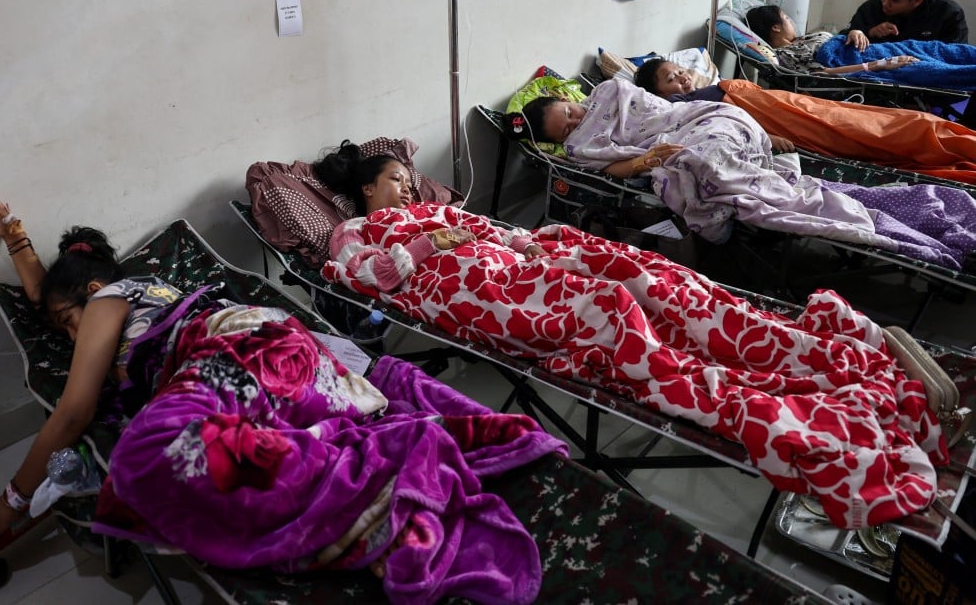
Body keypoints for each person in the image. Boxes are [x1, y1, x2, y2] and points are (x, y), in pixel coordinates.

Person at [315, 141, 956, 529]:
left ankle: (779, 344)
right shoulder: (358, 232)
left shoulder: (438, 207)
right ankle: (749, 386)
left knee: (650, 272)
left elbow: (492, 234)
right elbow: (364, 278)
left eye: (408, 178)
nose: (407, 186)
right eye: (395, 179)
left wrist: (520, 240)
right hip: (471, 294)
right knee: (608, 305)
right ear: (366, 189)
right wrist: (430, 244)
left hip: (517, 264)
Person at [0, 194, 561, 605]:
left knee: (146, 450)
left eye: (70, 325)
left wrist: (13, 501)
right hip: (283, 359)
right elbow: (47, 303)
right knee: (223, 441)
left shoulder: (107, 300)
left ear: (93, 293)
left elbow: (75, 409)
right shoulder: (111, 297)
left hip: (236, 347)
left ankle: (388, 480)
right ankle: (363, 456)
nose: (70, 340)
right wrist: (12, 235)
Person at [515, 79, 976, 273]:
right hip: (687, 144)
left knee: (709, 151)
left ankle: (772, 188)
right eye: (567, 128)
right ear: (560, 141)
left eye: (572, 111)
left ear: (571, 96)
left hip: (707, 118)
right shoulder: (580, 149)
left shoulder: (611, 91)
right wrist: (647, 161)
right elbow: (614, 162)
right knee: (698, 163)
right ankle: (853, 211)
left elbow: (662, 108)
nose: (580, 121)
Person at [634, 58, 976, 184]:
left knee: (896, 119)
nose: (682, 79)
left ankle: (955, 142)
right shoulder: (680, 108)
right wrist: (763, 134)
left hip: (786, 104)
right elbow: (720, 123)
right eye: (670, 79)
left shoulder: (710, 85)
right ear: (659, 94)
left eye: (679, 71)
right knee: (894, 133)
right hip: (779, 120)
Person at [745, 4, 920, 74]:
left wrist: (854, 32)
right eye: (786, 18)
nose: (791, 21)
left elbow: (839, 39)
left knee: (921, 48)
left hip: (871, 48)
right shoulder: (786, 54)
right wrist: (880, 64)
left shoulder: (801, 39)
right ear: (775, 27)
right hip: (869, 60)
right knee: (924, 64)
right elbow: (822, 73)